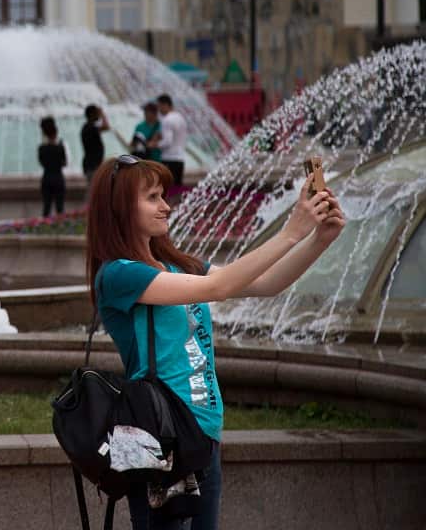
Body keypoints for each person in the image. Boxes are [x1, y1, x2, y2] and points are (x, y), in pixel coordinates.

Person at [86, 155, 345, 529]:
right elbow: (218, 288)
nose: (166, 206)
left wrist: (319, 239)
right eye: (153, 197)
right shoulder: (119, 275)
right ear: (120, 208)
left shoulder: (176, 265)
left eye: (164, 195)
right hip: (159, 441)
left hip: (202, 434)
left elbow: (265, 283)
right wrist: (290, 231)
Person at [37, 116, 68, 216]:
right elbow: (64, 163)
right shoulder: (60, 147)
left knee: (46, 207)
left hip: (46, 179)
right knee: (60, 208)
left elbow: (41, 163)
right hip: (58, 178)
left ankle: (44, 229)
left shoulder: (41, 148)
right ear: (56, 132)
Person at [156, 94, 187, 187]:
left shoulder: (167, 120)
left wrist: (154, 145)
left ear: (165, 105)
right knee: (177, 189)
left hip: (169, 159)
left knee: (168, 189)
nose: (159, 110)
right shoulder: (180, 118)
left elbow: (167, 142)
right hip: (180, 158)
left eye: (159, 106)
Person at [81, 104, 110, 185]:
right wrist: (102, 114)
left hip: (92, 164)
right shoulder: (90, 128)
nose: (98, 115)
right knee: (93, 190)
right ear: (92, 114)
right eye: (97, 113)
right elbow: (107, 126)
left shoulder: (87, 127)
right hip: (92, 165)